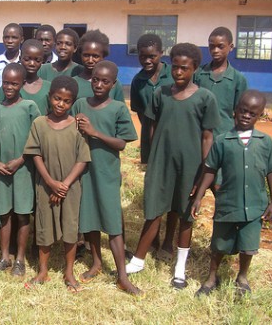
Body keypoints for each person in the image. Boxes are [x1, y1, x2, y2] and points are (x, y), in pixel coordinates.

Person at [125, 43, 220, 290]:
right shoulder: (162, 94)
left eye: (184, 68)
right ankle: (138, 260)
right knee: (154, 210)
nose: (178, 72)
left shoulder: (205, 98)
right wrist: (153, 154)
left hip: (191, 166)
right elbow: (152, 125)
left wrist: (205, 170)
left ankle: (179, 269)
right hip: (161, 162)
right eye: (175, 67)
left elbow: (207, 137)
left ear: (194, 69)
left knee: (186, 215)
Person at [191, 90, 272, 297]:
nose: (246, 116)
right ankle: (212, 277)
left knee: (248, 245)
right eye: (243, 110)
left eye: (252, 113)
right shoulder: (223, 140)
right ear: (235, 111)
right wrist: (199, 196)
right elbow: (210, 170)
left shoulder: (265, 142)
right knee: (219, 244)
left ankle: (242, 277)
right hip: (228, 203)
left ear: (260, 115)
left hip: (254, 204)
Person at [72, 61, 141, 296]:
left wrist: (95, 133)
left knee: (112, 224)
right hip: (84, 171)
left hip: (107, 172)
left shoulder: (118, 109)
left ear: (113, 84)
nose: (99, 84)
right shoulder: (80, 104)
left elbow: (122, 143)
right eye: (95, 79)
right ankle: (97, 263)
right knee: (89, 219)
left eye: (105, 81)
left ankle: (122, 275)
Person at [23, 76, 91, 293]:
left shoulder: (78, 127)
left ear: (73, 102)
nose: (60, 104)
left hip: (71, 188)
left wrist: (64, 185)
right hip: (45, 185)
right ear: (49, 97)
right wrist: (51, 182)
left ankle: (68, 272)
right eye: (57, 98)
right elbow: (35, 155)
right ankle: (43, 271)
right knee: (44, 227)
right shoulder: (39, 124)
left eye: (66, 101)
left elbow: (82, 159)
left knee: (70, 228)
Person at [0, 63, 41, 276]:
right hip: (0, 169)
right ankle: (4, 257)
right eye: (5, 82)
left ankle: (20, 259)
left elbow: (37, 139)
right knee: (4, 214)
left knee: (22, 214)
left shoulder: (29, 107)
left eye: (14, 83)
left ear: (22, 84)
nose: (9, 87)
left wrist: (21, 160)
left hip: (23, 170)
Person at [130, 34, 176, 261]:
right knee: (154, 190)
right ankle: (153, 238)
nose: (147, 60)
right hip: (151, 142)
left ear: (161, 53)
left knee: (176, 193)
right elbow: (140, 112)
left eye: (152, 56)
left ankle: (169, 241)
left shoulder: (174, 73)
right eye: (142, 56)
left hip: (175, 141)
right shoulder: (138, 81)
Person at [194, 26, 248, 188]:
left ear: (231, 47)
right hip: (198, 138)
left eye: (220, 46)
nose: (215, 50)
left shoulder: (238, 79)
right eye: (211, 46)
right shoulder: (199, 74)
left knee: (219, 186)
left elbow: (241, 115)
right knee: (194, 185)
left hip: (223, 139)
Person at [0, 39, 51, 114]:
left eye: (37, 60)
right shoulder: (8, 86)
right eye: (27, 59)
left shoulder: (48, 87)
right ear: (20, 58)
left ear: (42, 61)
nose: (32, 63)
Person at [73, 29, 124, 102]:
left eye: (95, 56)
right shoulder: (73, 83)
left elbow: (120, 110)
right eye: (86, 55)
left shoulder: (113, 83)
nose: (90, 60)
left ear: (103, 56)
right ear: (80, 54)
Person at [0, 23, 24, 100]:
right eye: (6, 37)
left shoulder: (25, 62)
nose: (10, 41)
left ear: (21, 39)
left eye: (14, 37)